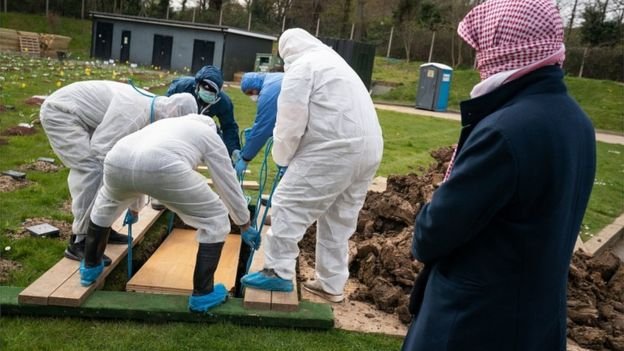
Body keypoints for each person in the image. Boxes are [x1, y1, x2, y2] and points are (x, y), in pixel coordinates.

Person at [401, 1, 596, 350]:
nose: (478, 61)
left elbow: (434, 232)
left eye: (482, 48)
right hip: (534, 320)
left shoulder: (506, 131)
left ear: (504, 46)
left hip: (476, 323)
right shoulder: (575, 121)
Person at [241, 28, 383, 303]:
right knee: (338, 219)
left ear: (286, 52)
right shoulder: (336, 62)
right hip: (370, 148)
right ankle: (331, 283)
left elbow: (290, 125)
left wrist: (282, 159)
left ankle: (278, 272)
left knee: (286, 203)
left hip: (335, 148)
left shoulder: (301, 68)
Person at [79, 114, 261, 312]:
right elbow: (226, 181)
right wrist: (244, 222)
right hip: (163, 166)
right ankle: (203, 293)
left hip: (116, 160)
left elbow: (137, 164)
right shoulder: (208, 134)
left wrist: (134, 207)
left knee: (104, 208)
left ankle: (90, 266)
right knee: (215, 218)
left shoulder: (164, 125)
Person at [40, 80, 197, 266]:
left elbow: (135, 161)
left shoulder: (153, 111)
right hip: (61, 113)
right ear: (172, 116)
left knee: (107, 170)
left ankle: (101, 227)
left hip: (86, 116)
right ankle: (80, 240)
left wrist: (135, 205)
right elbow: (103, 152)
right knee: (93, 170)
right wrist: (128, 194)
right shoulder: (134, 114)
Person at [166, 65, 241, 157]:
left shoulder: (223, 102)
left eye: (212, 91)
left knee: (219, 147)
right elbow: (165, 110)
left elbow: (228, 127)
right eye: (205, 88)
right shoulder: (181, 87)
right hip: (177, 123)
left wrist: (234, 149)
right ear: (197, 85)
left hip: (203, 124)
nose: (208, 92)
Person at [233, 72, 284, 178]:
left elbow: (263, 127)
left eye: (251, 93)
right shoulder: (275, 79)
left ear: (255, 86)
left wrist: (246, 158)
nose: (252, 97)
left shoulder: (268, 93)